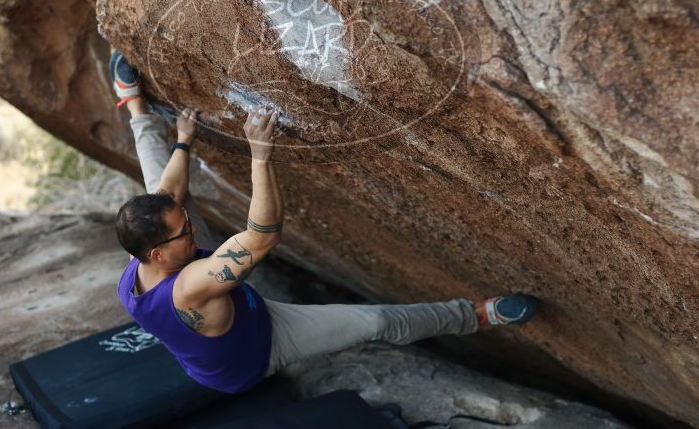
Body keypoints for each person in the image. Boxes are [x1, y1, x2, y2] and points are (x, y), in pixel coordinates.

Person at [111, 50, 539, 394]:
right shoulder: (189, 285)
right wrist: (260, 154)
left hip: (231, 309)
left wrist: (184, 142)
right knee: (376, 323)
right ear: (159, 253)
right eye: (184, 229)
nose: (191, 224)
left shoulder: (140, 267)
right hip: (264, 348)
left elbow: (165, 198)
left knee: (160, 189)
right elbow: (262, 237)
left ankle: (134, 104)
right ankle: (475, 316)